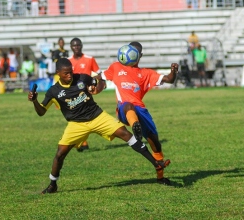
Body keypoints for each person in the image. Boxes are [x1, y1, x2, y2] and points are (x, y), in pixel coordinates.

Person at [28, 58, 170, 194]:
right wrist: (35, 101)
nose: (70, 75)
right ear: (58, 73)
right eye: (66, 73)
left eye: (71, 71)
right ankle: (52, 184)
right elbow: (41, 112)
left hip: (97, 117)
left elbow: (98, 80)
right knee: (60, 155)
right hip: (76, 124)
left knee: (126, 134)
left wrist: (95, 85)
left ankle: (156, 163)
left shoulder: (82, 78)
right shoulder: (54, 91)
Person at [99, 41, 178, 185]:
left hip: (141, 111)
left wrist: (173, 71)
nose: (132, 53)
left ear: (139, 55)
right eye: (131, 50)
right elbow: (100, 77)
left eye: (136, 52)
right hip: (124, 110)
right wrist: (94, 85)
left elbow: (169, 79)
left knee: (155, 143)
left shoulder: (145, 73)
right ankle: (135, 126)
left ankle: (161, 177)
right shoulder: (116, 67)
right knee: (128, 105)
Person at [68, 37, 101, 151]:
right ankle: (82, 143)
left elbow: (98, 73)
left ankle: (82, 143)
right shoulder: (68, 61)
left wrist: (94, 82)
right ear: (71, 47)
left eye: (78, 45)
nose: (76, 47)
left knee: (85, 117)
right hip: (73, 93)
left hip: (86, 92)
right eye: (74, 45)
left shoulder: (89, 59)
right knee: (78, 117)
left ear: (81, 46)